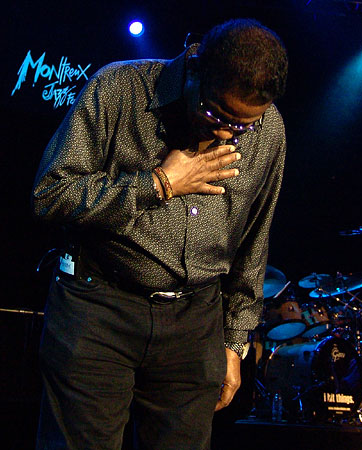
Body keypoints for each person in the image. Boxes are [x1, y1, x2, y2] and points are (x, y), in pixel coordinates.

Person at [31, 18, 288, 449]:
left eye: (241, 126)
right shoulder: (119, 88)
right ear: (194, 66)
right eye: (215, 113)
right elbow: (50, 194)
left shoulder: (270, 130)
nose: (225, 132)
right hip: (99, 305)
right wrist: (157, 184)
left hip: (195, 322)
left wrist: (234, 340)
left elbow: (254, 239)